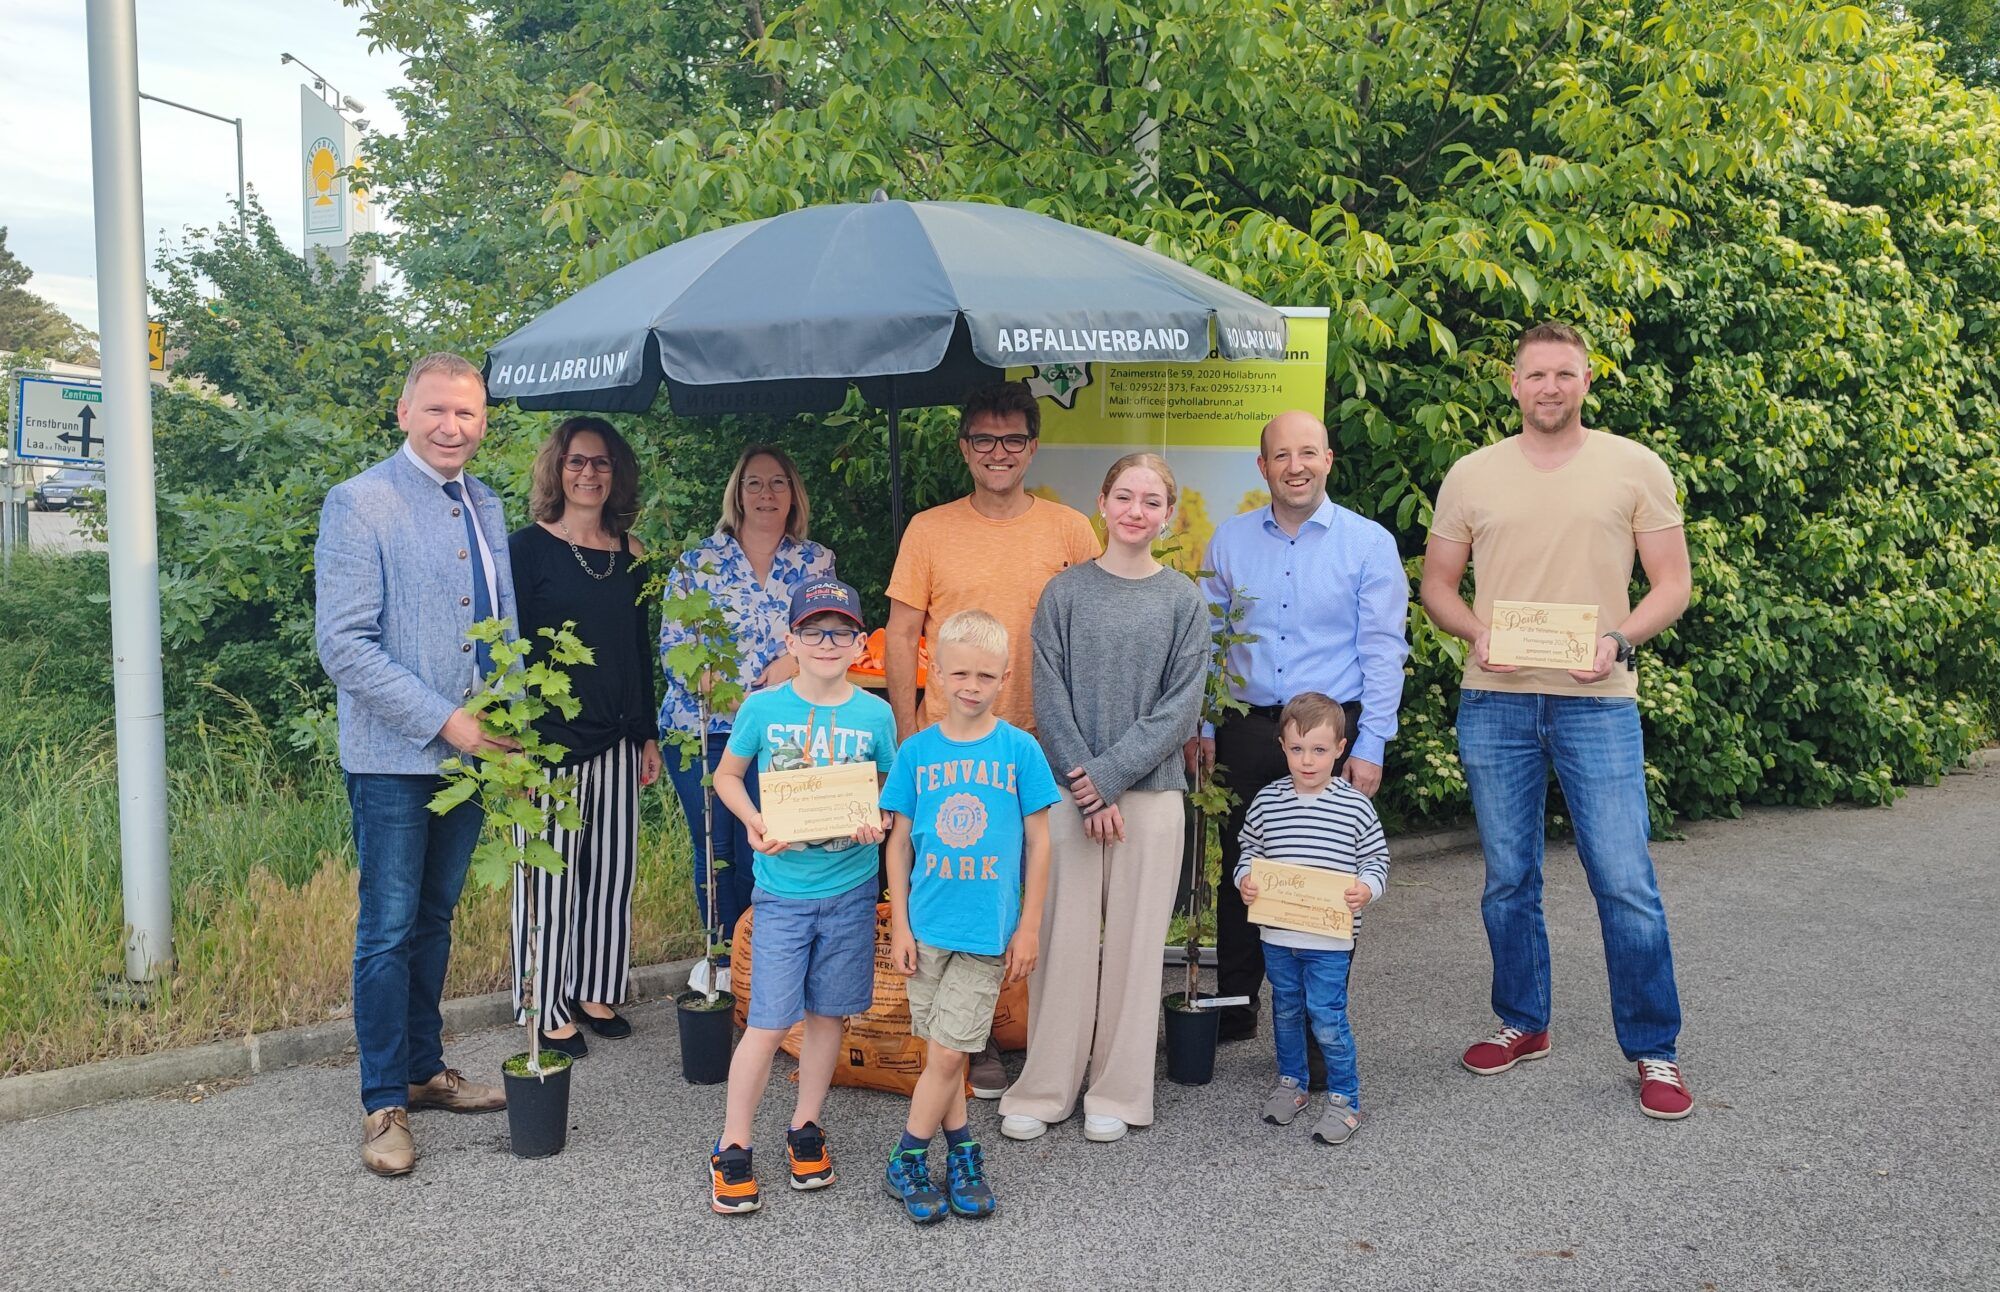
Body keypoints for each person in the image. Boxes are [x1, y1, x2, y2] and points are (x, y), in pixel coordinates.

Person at [1419, 321, 1696, 1120]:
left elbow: (1671, 583)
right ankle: (1522, 1022)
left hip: (1597, 701)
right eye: (1536, 375)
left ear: (1585, 381)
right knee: (1509, 879)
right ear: (1513, 384)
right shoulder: (1472, 474)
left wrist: (1619, 640)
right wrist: (1479, 634)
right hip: (1495, 697)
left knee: (1624, 880)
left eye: (1564, 375)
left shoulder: (1633, 466)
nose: (1549, 387)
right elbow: (1439, 585)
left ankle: (1654, 1049)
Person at [315, 351, 513, 1177]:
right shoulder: (360, 504)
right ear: (403, 413)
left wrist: (504, 722)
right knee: (388, 930)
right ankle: (382, 1102)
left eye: (466, 414)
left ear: (483, 422)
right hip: (395, 759)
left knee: (436, 919)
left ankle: (426, 1070)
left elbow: (498, 623)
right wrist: (447, 722)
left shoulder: (487, 505)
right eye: (436, 411)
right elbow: (344, 646)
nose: (451, 427)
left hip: (474, 762)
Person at [886, 380, 1098, 1099]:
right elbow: (903, 634)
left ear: (1033, 448)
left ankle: (1044, 1040)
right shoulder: (928, 528)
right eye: (984, 440)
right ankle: (967, 1041)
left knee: (1034, 896)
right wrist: (906, 729)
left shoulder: (1069, 530)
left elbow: (1089, 633)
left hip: (1038, 744)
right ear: (964, 448)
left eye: (1012, 440)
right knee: (959, 889)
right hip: (947, 747)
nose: (998, 453)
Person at [998, 452, 1207, 1144]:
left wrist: (1109, 779)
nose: (1137, 511)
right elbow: (1047, 697)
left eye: (1152, 501)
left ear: (1168, 515)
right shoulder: (1065, 594)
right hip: (1070, 792)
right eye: (1126, 496)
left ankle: (1117, 1090)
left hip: (1149, 800)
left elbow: (1179, 713)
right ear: (1103, 502)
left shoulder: (1182, 600)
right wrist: (1088, 788)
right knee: (1063, 941)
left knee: (1137, 948)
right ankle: (1048, 1084)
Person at [1188, 409, 1409, 1048]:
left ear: (1328, 460)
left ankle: (1320, 1019)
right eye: (1281, 456)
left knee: (1328, 867)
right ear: (1262, 468)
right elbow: (1206, 642)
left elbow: (1382, 649)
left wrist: (1369, 746)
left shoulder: (1368, 544)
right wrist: (1203, 725)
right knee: (1243, 862)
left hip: (1333, 731)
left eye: (1307, 453)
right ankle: (1234, 1004)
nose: (1295, 466)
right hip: (1248, 728)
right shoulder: (1230, 541)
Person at [706, 576, 898, 1214]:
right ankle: (733, 1144)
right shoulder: (764, 708)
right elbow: (727, 777)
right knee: (766, 1022)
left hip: (850, 889)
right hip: (783, 894)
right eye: (813, 631)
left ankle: (805, 1126)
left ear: (860, 643)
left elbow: (890, 793)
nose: (826, 642)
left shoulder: (874, 714)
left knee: (827, 1016)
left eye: (840, 631)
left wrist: (882, 819)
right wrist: (755, 822)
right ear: (790, 638)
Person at [881, 610, 1058, 1223]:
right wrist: (900, 925)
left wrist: (1029, 925)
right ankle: (962, 1149)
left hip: (985, 933)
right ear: (933, 668)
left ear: (1006, 678)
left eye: (986, 675)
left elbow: (1042, 843)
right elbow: (897, 844)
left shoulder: (1020, 750)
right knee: (944, 1055)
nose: (972, 686)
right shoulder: (915, 753)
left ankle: (906, 1157)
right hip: (926, 931)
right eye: (960, 672)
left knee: (950, 1052)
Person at [506, 417, 663, 1060]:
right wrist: (507, 731)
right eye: (577, 462)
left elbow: (636, 650)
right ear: (557, 468)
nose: (589, 474)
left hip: (620, 739)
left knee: (609, 872)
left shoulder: (633, 554)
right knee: (548, 878)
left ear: (616, 473)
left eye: (601, 464)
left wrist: (649, 735)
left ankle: (596, 989)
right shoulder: (526, 549)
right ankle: (546, 1004)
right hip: (546, 742)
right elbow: (503, 649)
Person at [659, 445, 836, 990]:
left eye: (778, 483)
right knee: (715, 846)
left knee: (767, 841)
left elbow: (830, 633)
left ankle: (765, 954)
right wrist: (738, 696)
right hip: (703, 728)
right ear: (736, 493)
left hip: (784, 735)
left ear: (793, 495)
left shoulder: (816, 562)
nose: (766, 494)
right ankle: (721, 958)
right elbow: (676, 650)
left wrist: (792, 658)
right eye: (754, 483)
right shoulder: (697, 564)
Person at [1233, 693, 1389, 1147]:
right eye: (1297, 749)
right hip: (1278, 934)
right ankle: (1292, 1083)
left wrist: (1367, 889)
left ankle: (1345, 1098)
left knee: (1326, 1016)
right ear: (1282, 745)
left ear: (1341, 748)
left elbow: (1377, 860)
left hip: (1330, 940)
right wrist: (1246, 879)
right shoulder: (1268, 801)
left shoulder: (1355, 807)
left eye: (1319, 750)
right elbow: (1249, 850)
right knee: (1285, 1010)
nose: (1307, 760)